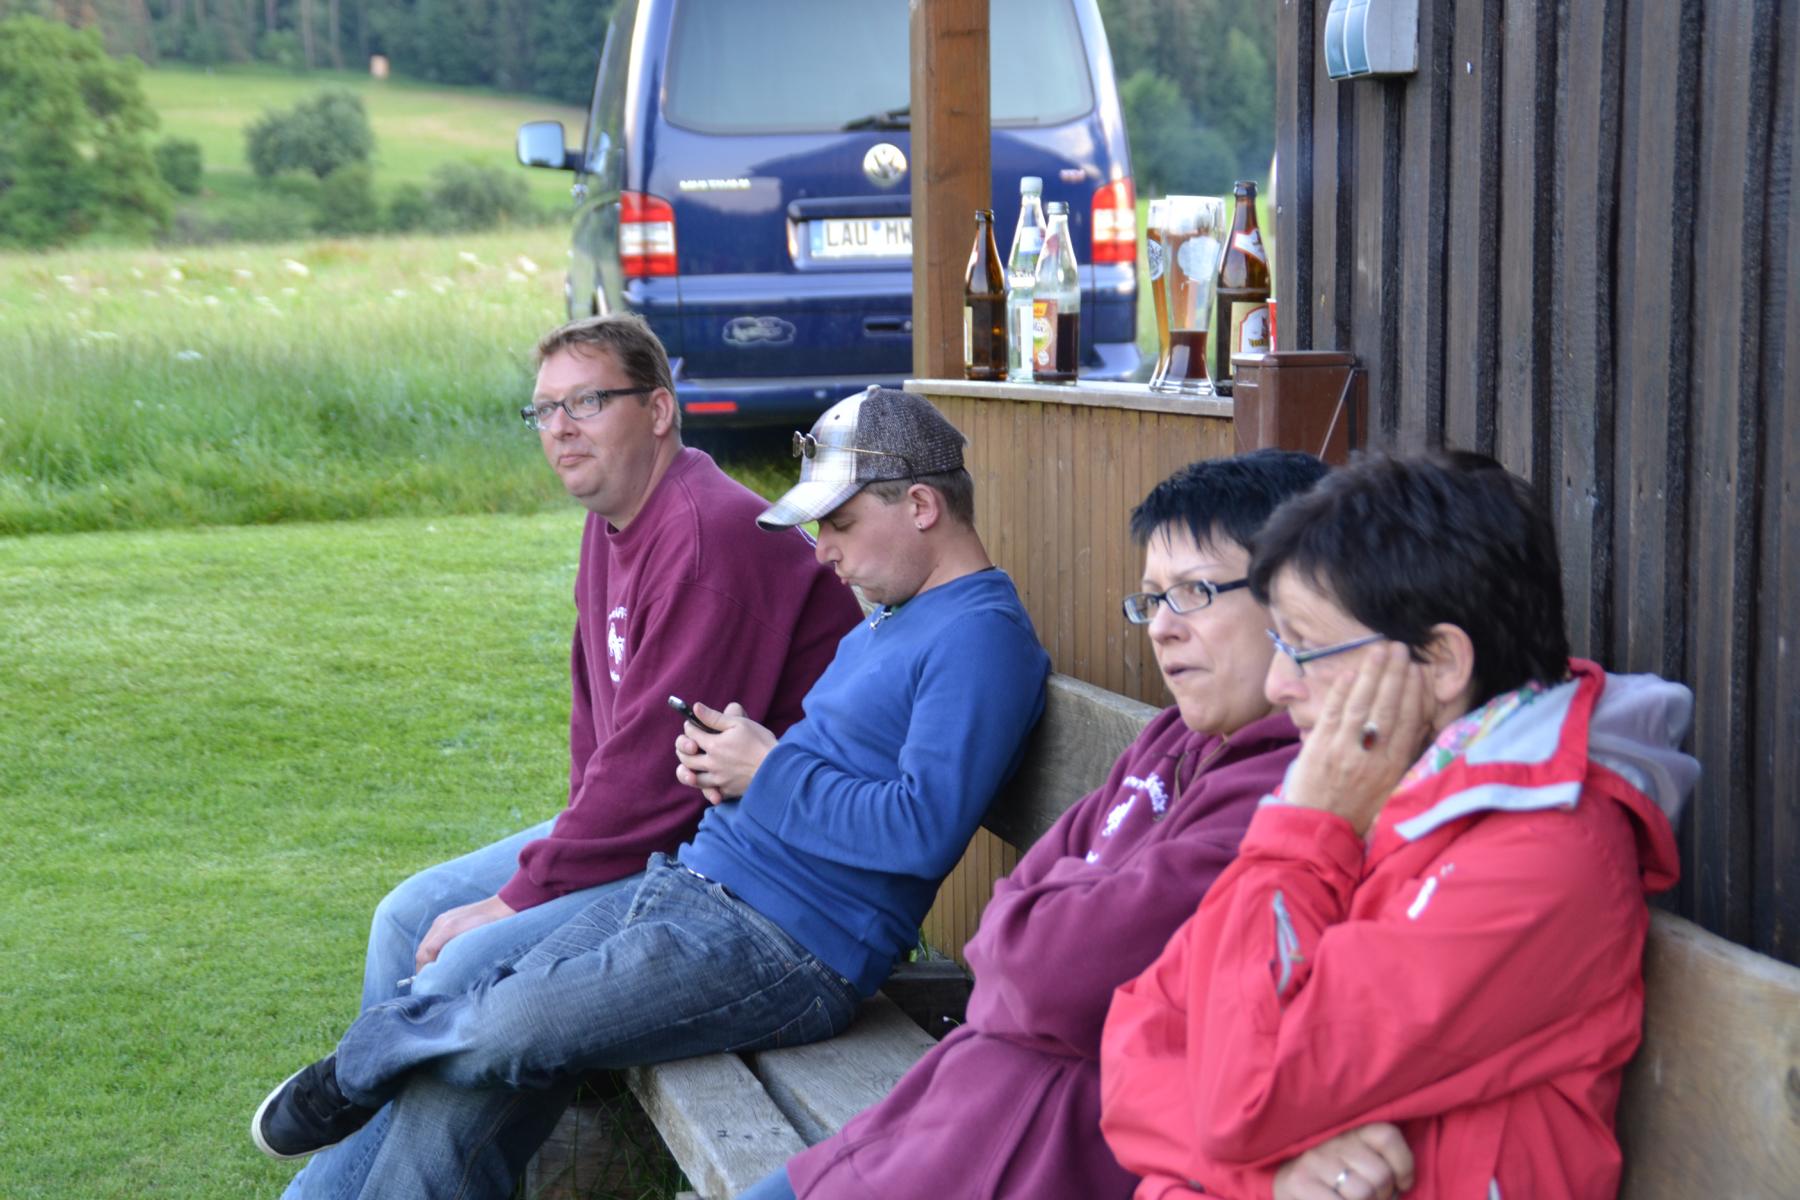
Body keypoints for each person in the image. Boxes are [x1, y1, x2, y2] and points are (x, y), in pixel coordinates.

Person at [251, 387, 1051, 1200]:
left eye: (839, 524)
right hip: (696, 884)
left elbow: (920, 828)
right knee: (475, 1061)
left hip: (791, 948)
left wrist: (767, 771)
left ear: (920, 506)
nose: (823, 553)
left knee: (508, 1025)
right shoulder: (894, 616)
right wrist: (732, 761)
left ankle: (370, 1054)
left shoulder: (980, 637)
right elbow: (829, 772)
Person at [278, 313, 862, 1198]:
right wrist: (550, 866)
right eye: (544, 410)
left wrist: (518, 897)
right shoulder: (616, 520)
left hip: (721, 856)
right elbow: (604, 730)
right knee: (408, 916)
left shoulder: (708, 537)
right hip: (649, 824)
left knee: (468, 964)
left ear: (658, 410)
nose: (560, 429)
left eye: (586, 402)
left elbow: (659, 779)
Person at [731, 450, 1330, 1200]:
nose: (1162, 629)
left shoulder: (1292, 793)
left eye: (1195, 593)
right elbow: (1004, 931)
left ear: (1302, 602)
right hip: (945, 1117)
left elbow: (1048, 973)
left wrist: (1038, 929)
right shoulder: (1173, 739)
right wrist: (1037, 934)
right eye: (1152, 600)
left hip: (1023, 1152)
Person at [1100, 451, 1699, 1200]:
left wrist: (1303, 831)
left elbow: (1244, 1094)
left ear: (1441, 663)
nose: (1279, 686)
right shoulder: (1372, 790)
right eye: (1278, 645)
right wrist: (1272, 1176)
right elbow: (1136, 1042)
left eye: (1304, 648)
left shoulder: (1540, 858)